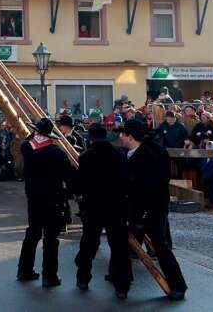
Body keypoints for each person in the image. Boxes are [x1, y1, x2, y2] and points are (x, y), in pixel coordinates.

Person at [119, 119, 188, 300]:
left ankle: (177, 285)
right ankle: (121, 280)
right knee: (146, 246)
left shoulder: (145, 156)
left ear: (131, 136)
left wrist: (142, 215)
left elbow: (149, 187)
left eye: (123, 134)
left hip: (148, 209)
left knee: (159, 246)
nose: (120, 137)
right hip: (150, 207)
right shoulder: (152, 150)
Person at [72, 123, 131, 298]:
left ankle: (83, 278)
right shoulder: (119, 155)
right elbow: (126, 181)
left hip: (93, 206)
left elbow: (80, 184)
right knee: (119, 247)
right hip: (116, 206)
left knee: (89, 243)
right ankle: (122, 286)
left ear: (91, 139)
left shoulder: (85, 157)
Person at [16, 118, 70, 287]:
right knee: (51, 239)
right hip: (53, 199)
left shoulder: (26, 147)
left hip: (33, 198)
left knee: (32, 234)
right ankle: (49, 276)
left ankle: (24, 270)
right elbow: (67, 174)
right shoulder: (57, 153)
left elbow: (29, 141)